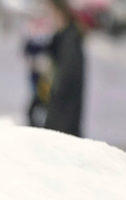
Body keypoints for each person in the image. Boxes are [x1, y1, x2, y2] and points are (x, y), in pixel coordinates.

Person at [43, 0, 85, 136]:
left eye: (49, 13)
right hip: (61, 117)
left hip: (63, 120)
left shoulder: (69, 41)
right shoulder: (63, 39)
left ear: (59, 13)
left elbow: (64, 81)